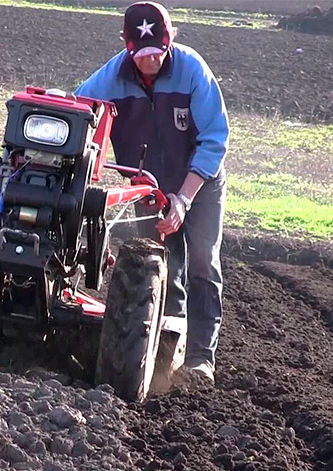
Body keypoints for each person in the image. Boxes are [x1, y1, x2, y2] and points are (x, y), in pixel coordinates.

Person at [74, 1, 229, 383]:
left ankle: (200, 360)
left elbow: (214, 140)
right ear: (126, 46)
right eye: (141, 54)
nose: (150, 61)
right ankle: (165, 356)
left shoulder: (192, 71)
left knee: (202, 263)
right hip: (149, 186)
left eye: (157, 52)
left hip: (201, 182)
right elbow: (79, 109)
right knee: (162, 262)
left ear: (170, 39)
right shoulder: (113, 77)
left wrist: (184, 198)